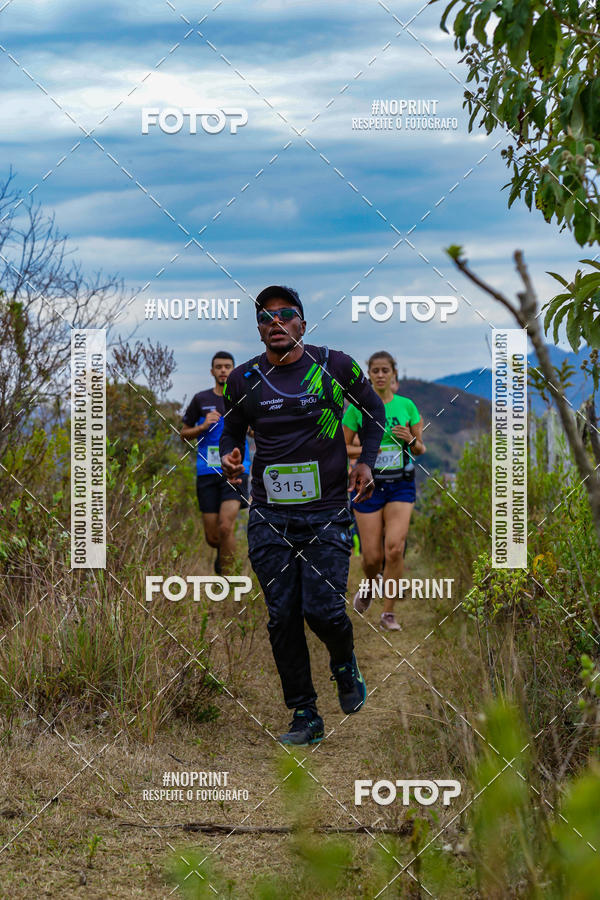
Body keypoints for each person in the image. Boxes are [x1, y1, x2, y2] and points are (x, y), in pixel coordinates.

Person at [219, 286, 385, 746]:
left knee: (324, 610)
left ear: (302, 324)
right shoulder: (244, 380)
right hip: (269, 516)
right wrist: (230, 457)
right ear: (258, 328)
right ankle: (305, 714)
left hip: (327, 512)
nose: (276, 322)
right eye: (266, 317)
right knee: (282, 616)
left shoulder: (333, 366)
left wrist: (366, 461)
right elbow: (230, 430)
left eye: (285, 315)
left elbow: (374, 413)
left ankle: (344, 663)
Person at [343, 351, 425, 630]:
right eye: (375, 370)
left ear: (393, 374)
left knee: (394, 549)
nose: (380, 375)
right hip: (367, 485)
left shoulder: (407, 406)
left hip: (400, 484)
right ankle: (369, 583)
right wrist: (368, 449)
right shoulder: (357, 408)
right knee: (371, 557)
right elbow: (342, 447)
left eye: (385, 370)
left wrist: (412, 439)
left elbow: (420, 449)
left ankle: (388, 613)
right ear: (369, 375)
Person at [181, 351, 251, 574]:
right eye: (219, 367)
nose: (223, 370)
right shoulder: (201, 400)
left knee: (225, 525)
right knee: (213, 537)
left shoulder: (244, 398)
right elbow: (183, 434)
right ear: (212, 371)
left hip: (236, 469)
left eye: (227, 366)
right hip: (206, 472)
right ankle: (224, 559)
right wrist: (202, 427)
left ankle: (229, 579)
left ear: (234, 370)